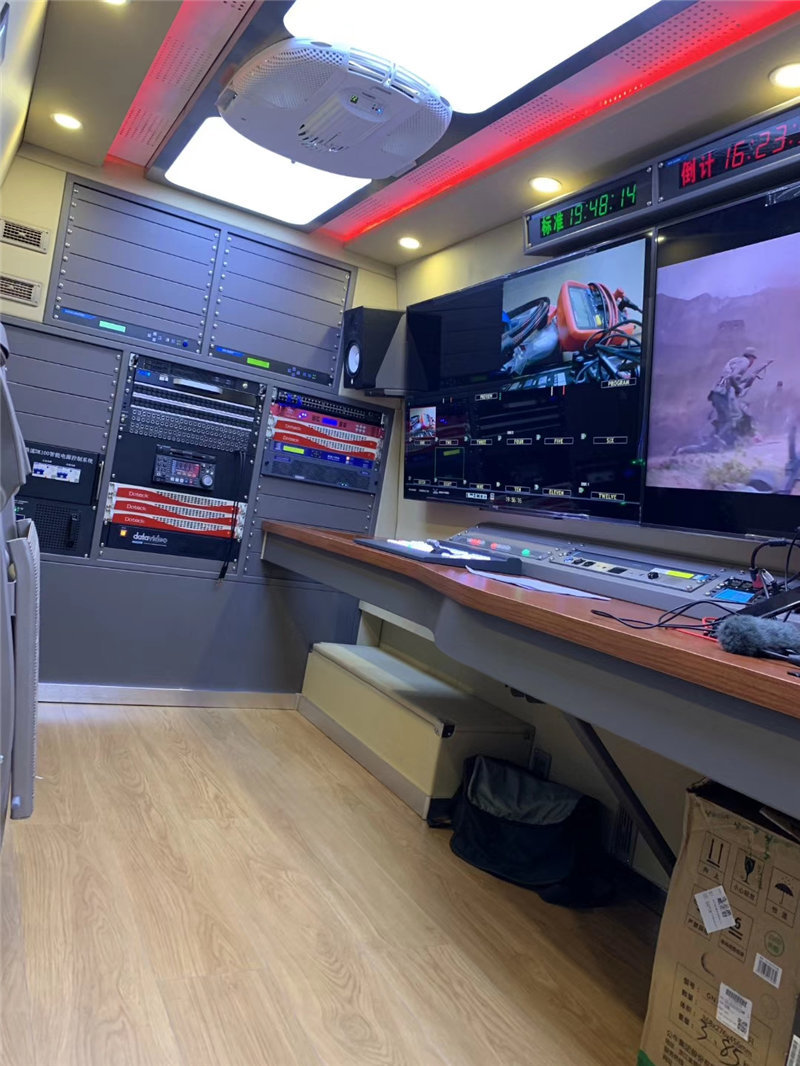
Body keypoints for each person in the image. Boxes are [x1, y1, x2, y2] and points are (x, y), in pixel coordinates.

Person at [707, 346, 760, 445]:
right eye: (753, 359)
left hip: (717, 391)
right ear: (751, 357)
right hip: (723, 392)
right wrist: (738, 389)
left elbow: (733, 378)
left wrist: (750, 378)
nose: (753, 362)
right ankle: (718, 438)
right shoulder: (745, 362)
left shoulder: (735, 360)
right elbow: (732, 377)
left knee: (723, 420)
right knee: (734, 417)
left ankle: (714, 440)